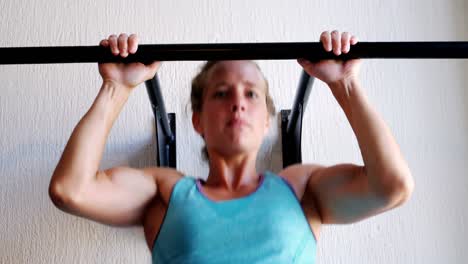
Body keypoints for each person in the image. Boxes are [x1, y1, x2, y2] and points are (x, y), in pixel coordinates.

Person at [48, 30, 415, 263]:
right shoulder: (166, 193)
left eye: (251, 94)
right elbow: (70, 190)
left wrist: (346, 84)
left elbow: (392, 186)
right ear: (197, 121)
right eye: (221, 93)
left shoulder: (301, 189)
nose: (237, 103)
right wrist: (115, 89)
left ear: (268, 120)